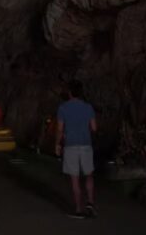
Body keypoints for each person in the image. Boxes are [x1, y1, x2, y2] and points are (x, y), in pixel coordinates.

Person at [56, 80, 97, 219]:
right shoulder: (88, 107)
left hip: (71, 146)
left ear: (70, 92)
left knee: (75, 179)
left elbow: (60, 129)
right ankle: (90, 204)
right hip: (86, 145)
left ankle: (79, 209)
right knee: (89, 175)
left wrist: (57, 144)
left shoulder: (63, 108)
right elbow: (94, 128)